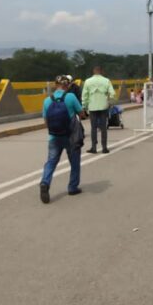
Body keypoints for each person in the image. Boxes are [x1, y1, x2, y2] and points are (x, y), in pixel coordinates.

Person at [40, 75, 84, 203]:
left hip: (54, 137)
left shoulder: (47, 100)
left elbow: (45, 121)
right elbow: (81, 113)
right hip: (70, 137)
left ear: (55, 85)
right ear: (67, 85)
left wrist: (53, 131)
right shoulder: (70, 97)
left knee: (51, 162)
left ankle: (45, 182)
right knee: (74, 162)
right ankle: (72, 187)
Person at [82, 66, 116, 154]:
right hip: (103, 106)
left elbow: (84, 95)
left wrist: (84, 106)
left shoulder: (88, 81)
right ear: (101, 71)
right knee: (103, 127)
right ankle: (104, 147)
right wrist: (110, 102)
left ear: (93, 71)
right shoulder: (106, 80)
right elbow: (112, 93)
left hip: (92, 106)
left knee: (93, 127)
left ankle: (94, 147)